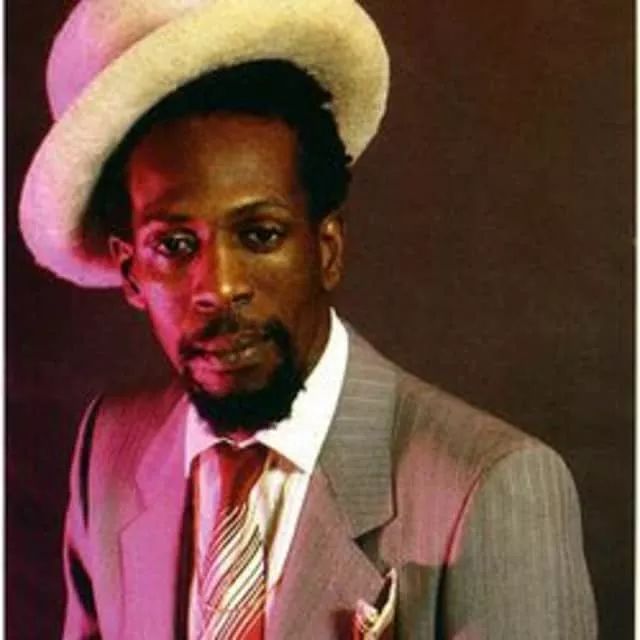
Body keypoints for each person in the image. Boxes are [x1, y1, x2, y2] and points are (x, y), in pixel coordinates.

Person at [19, 0, 597, 638]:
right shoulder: (108, 450)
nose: (221, 287)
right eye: (175, 246)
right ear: (130, 272)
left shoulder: (490, 488)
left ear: (327, 248)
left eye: (260, 235)